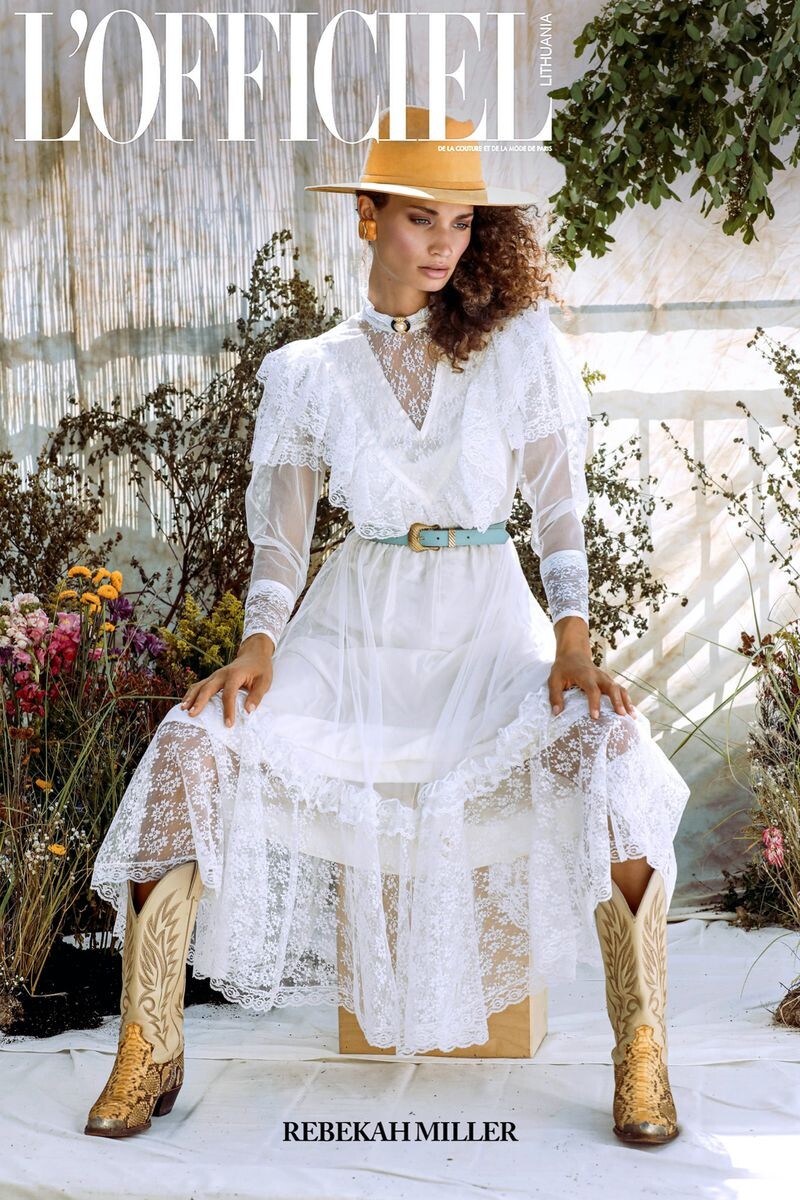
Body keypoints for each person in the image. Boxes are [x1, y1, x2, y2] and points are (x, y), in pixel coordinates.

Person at [84, 106, 691, 1145]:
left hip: (485, 630)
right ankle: (149, 1044)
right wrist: (258, 645)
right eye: (420, 218)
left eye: (461, 221)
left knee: (611, 748)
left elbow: (558, 510)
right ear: (366, 217)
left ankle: (641, 1052)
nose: (445, 243)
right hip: (352, 629)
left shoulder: (516, 347)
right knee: (191, 744)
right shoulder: (307, 371)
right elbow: (281, 540)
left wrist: (573, 641)